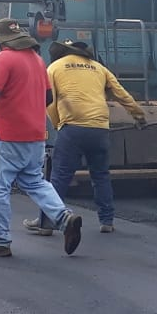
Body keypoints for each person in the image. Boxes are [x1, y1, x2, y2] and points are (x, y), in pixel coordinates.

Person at [0, 20, 83, 257]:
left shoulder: (4, 58)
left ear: (2, 42)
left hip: (8, 134)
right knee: (35, 181)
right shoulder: (37, 60)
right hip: (35, 135)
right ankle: (63, 217)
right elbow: (47, 98)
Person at [24, 39, 146, 236]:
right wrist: (139, 116)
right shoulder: (99, 68)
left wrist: (58, 124)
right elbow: (121, 94)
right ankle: (106, 221)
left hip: (72, 128)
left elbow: (50, 102)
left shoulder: (55, 67)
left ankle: (47, 223)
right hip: (99, 130)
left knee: (60, 176)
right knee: (101, 175)